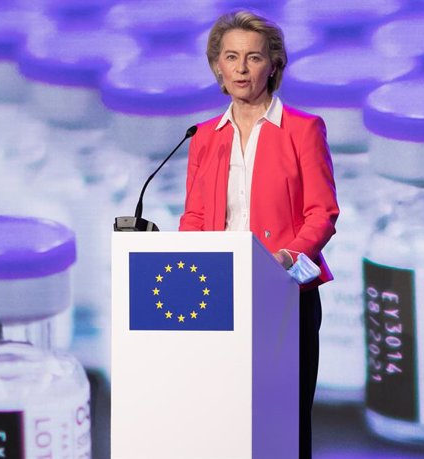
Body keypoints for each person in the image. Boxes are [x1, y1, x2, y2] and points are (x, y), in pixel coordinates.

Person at [178, 10, 339, 458]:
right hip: (220, 291)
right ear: (217, 67)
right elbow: (194, 215)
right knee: (226, 413)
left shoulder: (303, 130)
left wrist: (283, 260)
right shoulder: (204, 136)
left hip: (285, 288)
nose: (242, 68)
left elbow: (322, 213)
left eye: (253, 57)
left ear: (274, 65)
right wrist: (187, 262)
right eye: (231, 57)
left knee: (283, 416)